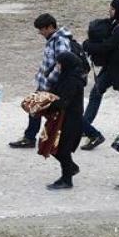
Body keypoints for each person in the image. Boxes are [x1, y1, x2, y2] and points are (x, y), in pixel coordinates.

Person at [80, 0, 119, 151]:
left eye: (112, 9)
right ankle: (85, 125)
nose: (109, 11)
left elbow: (108, 46)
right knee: (96, 94)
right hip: (113, 67)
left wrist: (88, 46)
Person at [9, 13, 73, 149]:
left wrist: (49, 81)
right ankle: (30, 137)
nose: (39, 33)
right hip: (46, 83)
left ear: (50, 27)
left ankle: (30, 138)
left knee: (55, 111)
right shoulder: (53, 39)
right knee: (38, 108)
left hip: (51, 84)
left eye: (41, 29)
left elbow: (61, 63)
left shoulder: (60, 41)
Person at [44, 52, 86, 190]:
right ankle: (71, 168)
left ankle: (67, 180)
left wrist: (45, 106)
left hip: (70, 120)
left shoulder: (72, 80)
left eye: (60, 63)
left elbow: (63, 101)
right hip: (64, 118)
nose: (58, 66)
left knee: (61, 149)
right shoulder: (67, 76)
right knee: (54, 146)